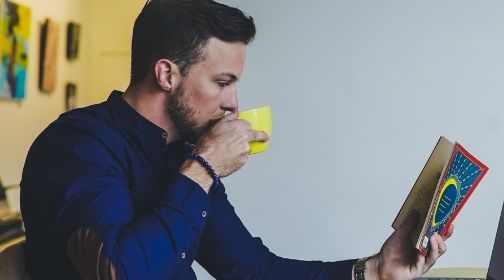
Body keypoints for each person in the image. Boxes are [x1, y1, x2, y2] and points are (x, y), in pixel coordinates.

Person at [20, 0, 452, 279]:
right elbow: (121, 271)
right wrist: (205, 168)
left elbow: (250, 270)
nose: (233, 103)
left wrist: (374, 271)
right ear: (167, 74)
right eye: (222, 82)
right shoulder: (77, 146)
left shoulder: (181, 155)